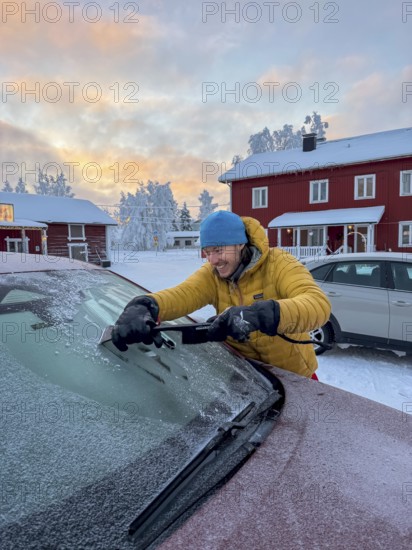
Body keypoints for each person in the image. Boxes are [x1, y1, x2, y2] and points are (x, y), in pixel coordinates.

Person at [112, 211, 331, 378]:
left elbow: (317, 305)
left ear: (240, 244)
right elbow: (185, 293)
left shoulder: (278, 263)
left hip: (295, 377)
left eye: (219, 250)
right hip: (251, 380)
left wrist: (259, 315)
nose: (213, 260)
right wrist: (148, 305)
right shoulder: (213, 274)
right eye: (208, 252)